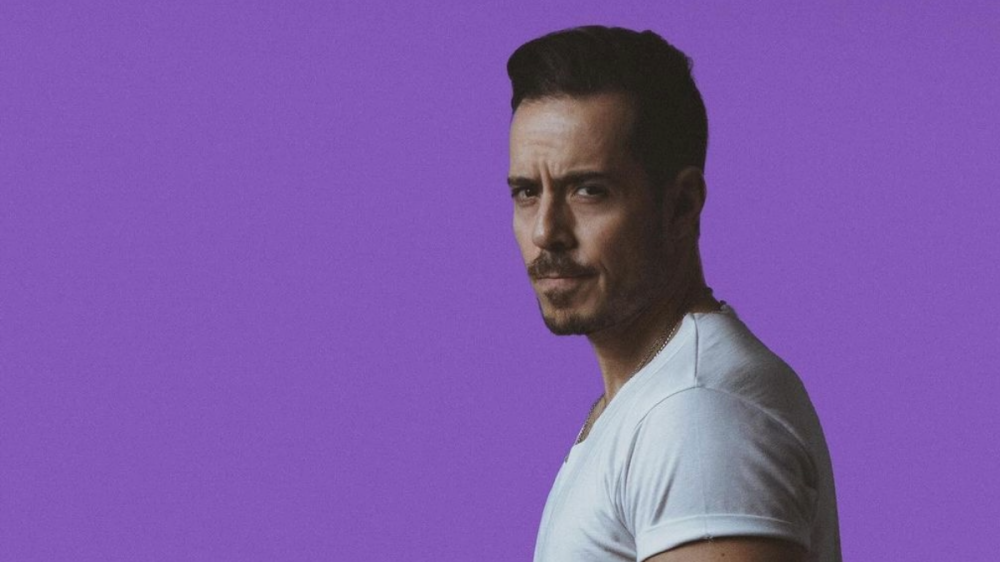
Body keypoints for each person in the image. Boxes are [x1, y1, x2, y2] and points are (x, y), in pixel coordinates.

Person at [505, 26, 841, 562]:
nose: (546, 231)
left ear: (681, 206)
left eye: (589, 190)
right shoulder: (654, 398)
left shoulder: (696, 415)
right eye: (527, 192)